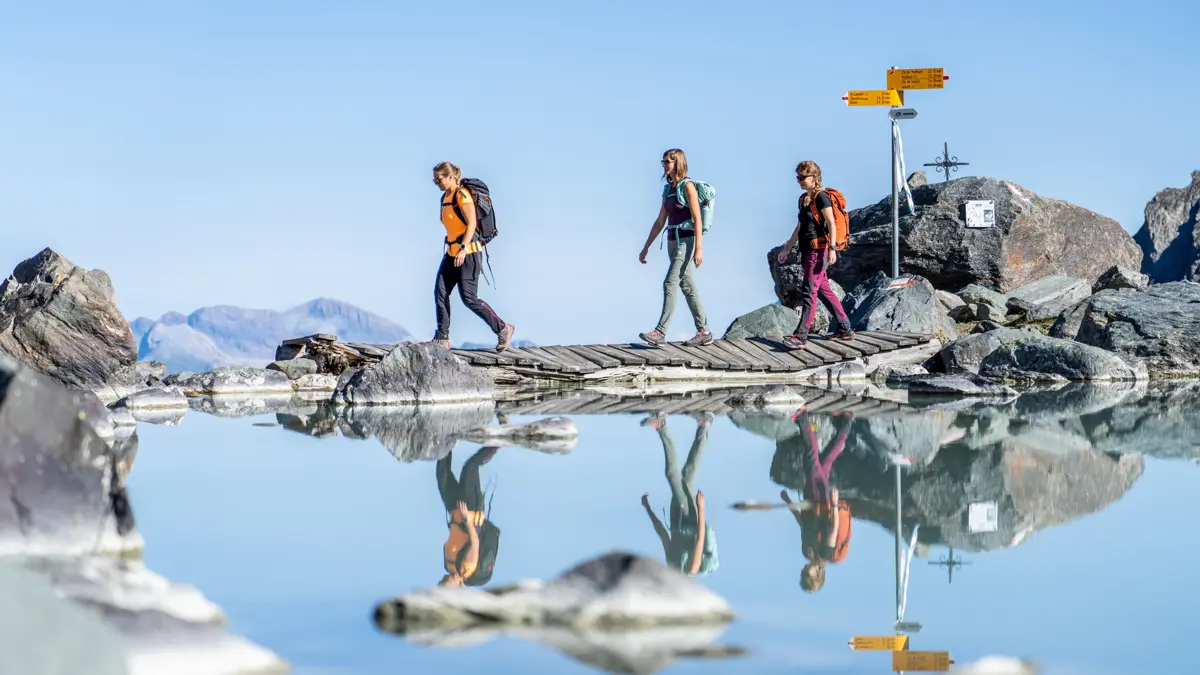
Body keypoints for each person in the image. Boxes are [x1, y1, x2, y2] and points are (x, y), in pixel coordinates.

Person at [432, 161, 515, 352]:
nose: (436, 183)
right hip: (452, 252)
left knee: (469, 298)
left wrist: (463, 248)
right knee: (440, 292)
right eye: (434, 181)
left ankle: (503, 328)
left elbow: (472, 224)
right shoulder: (445, 197)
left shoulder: (462, 195)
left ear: (451, 177)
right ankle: (442, 338)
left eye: (439, 179)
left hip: (468, 252)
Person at [637, 149, 713, 347]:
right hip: (672, 242)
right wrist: (646, 247)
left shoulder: (688, 186)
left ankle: (660, 332)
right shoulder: (669, 189)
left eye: (667, 162)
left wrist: (699, 249)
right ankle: (704, 331)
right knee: (687, 286)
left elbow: (697, 219)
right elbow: (660, 221)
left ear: (677, 163)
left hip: (686, 242)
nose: (664, 165)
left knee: (670, 283)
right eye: (663, 162)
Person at [776, 161, 853, 349]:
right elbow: (799, 228)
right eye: (798, 177)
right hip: (807, 251)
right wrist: (786, 248)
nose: (799, 181)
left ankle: (800, 336)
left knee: (809, 290)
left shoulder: (822, 198)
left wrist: (832, 249)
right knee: (823, 290)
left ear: (814, 177)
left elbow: (831, 224)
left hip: (819, 252)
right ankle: (844, 327)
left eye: (803, 177)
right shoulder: (803, 199)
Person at [639, 412, 719, 576]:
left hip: (676, 515)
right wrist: (701, 508)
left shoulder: (671, 565)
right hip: (689, 516)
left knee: (689, 471)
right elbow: (700, 540)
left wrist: (648, 510)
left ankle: (704, 425)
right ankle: (662, 426)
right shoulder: (692, 569)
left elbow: (663, 535)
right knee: (671, 474)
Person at [781, 410, 852, 592]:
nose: (804, 571)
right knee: (811, 458)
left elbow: (802, 524)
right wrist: (834, 504)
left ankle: (846, 425)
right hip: (821, 499)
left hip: (810, 498)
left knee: (826, 460)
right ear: (819, 574)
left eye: (803, 574)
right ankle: (802, 418)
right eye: (808, 575)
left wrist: (789, 502)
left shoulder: (806, 551)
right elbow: (833, 529)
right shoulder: (825, 553)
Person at [436, 446, 501, 587]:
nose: (440, 583)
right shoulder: (466, 568)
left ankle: (446, 440)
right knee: (471, 466)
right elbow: (475, 542)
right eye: (443, 587)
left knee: (442, 473)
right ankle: (496, 443)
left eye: (439, 584)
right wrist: (466, 518)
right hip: (470, 511)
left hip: (454, 510)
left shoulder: (448, 565)